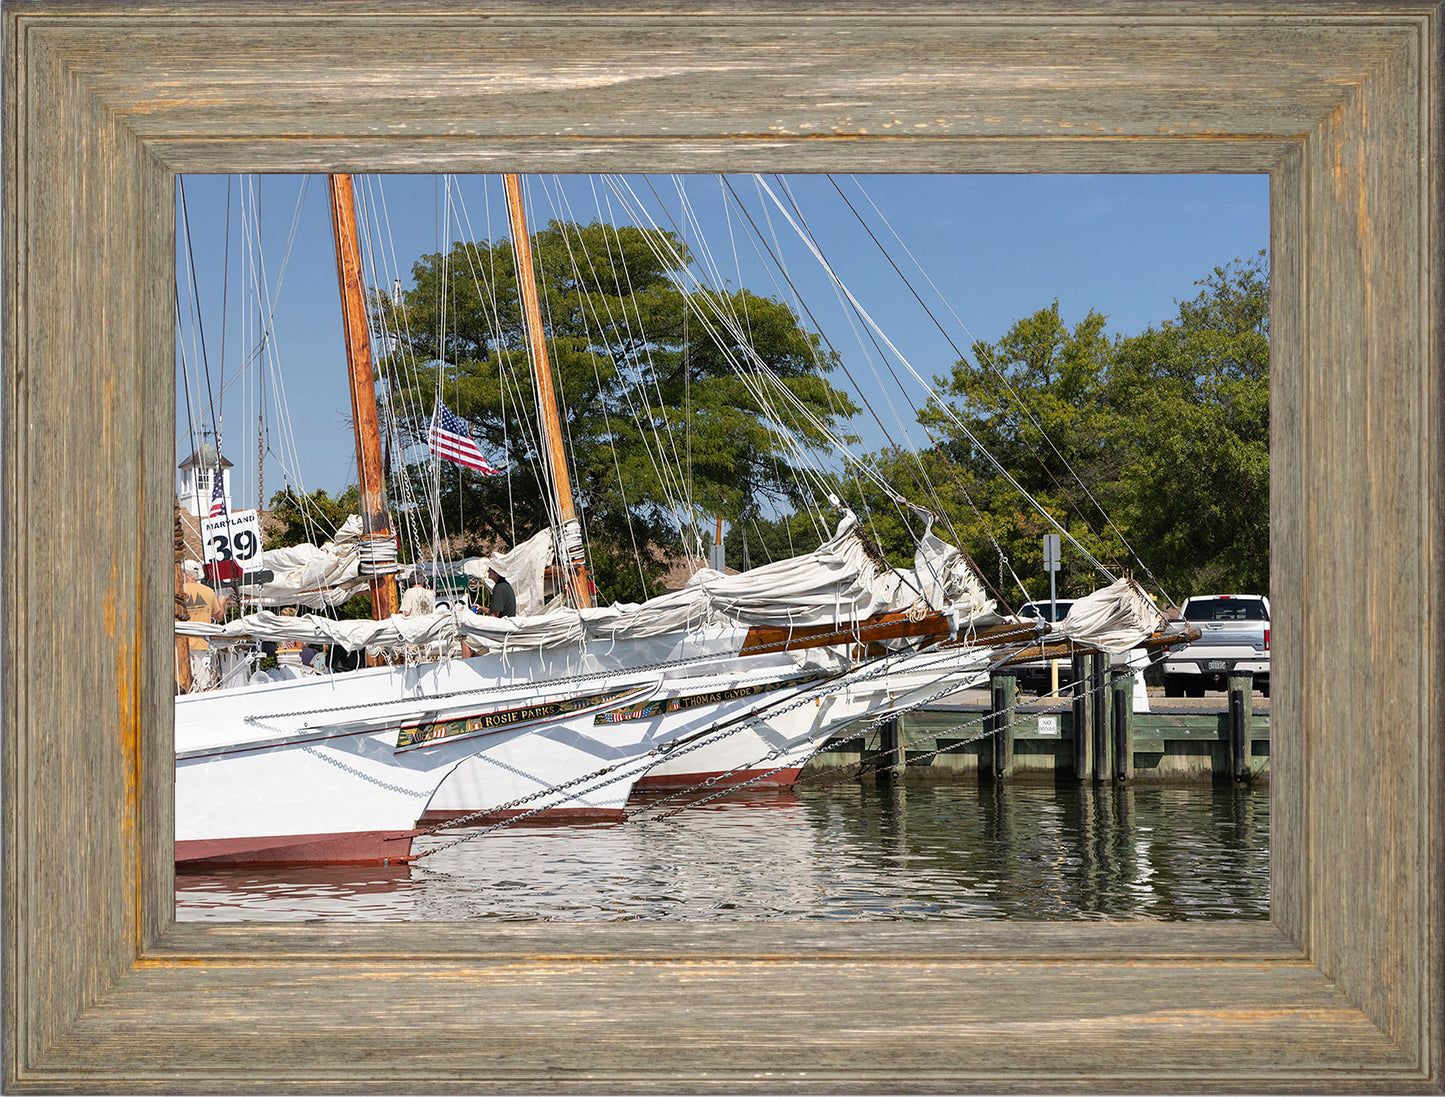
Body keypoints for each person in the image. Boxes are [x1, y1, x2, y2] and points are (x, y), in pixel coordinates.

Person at [182, 560, 227, 690]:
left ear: (186, 574)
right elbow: (219, 617)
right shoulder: (208, 592)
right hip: (203, 643)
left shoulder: (178, 591)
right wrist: (222, 604)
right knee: (204, 682)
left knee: (184, 683)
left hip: (182, 644)